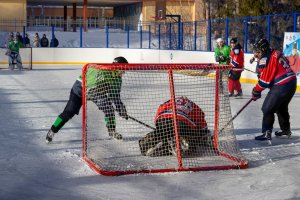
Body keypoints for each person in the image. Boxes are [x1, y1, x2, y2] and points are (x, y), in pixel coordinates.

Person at [46, 56, 129, 143]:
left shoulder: (118, 79)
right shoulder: (102, 72)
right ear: (116, 68)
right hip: (79, 89)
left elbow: (115, 96)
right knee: (69, 112)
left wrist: (121, 108)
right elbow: (90, 90)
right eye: (122, 69)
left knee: (109, 109)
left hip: (97, 92)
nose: (123, 72)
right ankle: (52, 130)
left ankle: (112, 131)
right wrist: (101, 96)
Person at [251, 38, 297, 144]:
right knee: (281, 107)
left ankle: (266, 133)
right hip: (292, 82)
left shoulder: (266, 59)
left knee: (267, 108)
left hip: (282, 85)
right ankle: (285, 130)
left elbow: (264, 82)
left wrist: (255, 91)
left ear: (263, 50)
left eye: (258, 51)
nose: (256, 53)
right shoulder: (275, 52)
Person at [139, 96, 212, 157]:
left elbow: (160, 109)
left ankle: (148, 144)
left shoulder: (169, 101)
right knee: (192, 143)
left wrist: (158, 127)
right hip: (181, 122)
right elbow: (202, 123)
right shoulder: (192, 104)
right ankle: (177, 146)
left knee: (162, 133)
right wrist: (203, 134)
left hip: (163, 119)